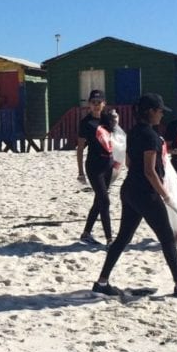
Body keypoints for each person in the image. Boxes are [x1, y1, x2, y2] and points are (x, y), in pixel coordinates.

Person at [92, 93, 177, 298]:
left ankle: (102, 282)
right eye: (160, 111)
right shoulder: (151, 137)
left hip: (129, 190)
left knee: (122, 238)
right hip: (146, 193)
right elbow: (150, 171)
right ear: (151, 111)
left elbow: (128, 162)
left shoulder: (134, 132)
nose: (162, 114)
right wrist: (166, 196)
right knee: (167, 239)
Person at [76, 89, 114, 245]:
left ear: (104, 104)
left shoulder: (108, 120)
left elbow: (115, 141)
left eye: (99, 102)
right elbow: (80, 148)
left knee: (99, 200)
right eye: (93, 103)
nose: (96, 105)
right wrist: (80, 172)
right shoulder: (86, 123)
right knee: (105, 201)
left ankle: (86, 233)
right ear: (89, 105)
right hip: (94, 166)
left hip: (109, 164)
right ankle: (109, 239)